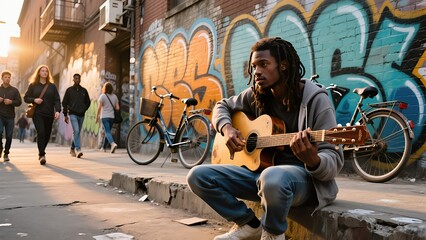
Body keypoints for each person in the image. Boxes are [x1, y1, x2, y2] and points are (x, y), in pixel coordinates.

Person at [187, 37, 344, 240]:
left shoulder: (315, 99)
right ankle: (249, 224)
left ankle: (272, 233)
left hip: (300, 183)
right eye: (254, 66)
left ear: (284, 65)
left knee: (271, 177)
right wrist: (227, 129)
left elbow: (333, 160)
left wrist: (313, 160)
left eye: (263, 64)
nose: (257, 72)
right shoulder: (258, 94)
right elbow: (221, 106)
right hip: (260, 178)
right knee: (198, 176)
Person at [24, 65, 61, 165]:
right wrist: (34, 100)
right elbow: (26, 98)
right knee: (41, 132)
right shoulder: (33, 85)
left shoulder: (52, 86)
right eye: (43, 71)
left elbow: (57, 99)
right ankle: (41, 154)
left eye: (46, 71)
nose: (45, 72)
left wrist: (57, 111)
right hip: (38, 113)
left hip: (49, 114)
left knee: (47, 135)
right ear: (39, 73)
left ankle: (41, 151)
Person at [62, 73, 91, 158]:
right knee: (77, 131)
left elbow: (88, 102)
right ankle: (78, 150)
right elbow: (64, 103)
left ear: (80, 79)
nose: (77, 80)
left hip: (81, 114)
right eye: (76, 78)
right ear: (73, 80)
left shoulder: (84, 91)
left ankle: (72, 149)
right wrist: (65, 115)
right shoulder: (69, 90)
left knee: (76, 133)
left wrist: (84, 108)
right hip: (73, 114)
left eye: (78, 78)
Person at [0, 70, 22, 162]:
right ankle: (0, 147)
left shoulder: (14, 90)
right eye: (6, 77)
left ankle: (6, 153)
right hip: (0, 116)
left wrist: (11, 102)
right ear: (2, 78)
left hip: (10, 117)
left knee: (9, 136)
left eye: (9, 77)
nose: (7, 79)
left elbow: (19, 102)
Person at [95, 82, 119, 153]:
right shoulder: (115, 97)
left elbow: (99, 108)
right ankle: (104, 148)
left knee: (107, 131)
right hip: (112, 117)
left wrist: (97, 117)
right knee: (107, 132)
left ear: (104, 88)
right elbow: (117, 108)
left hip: (104, 117)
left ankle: (112, 143)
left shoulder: (103, 96)